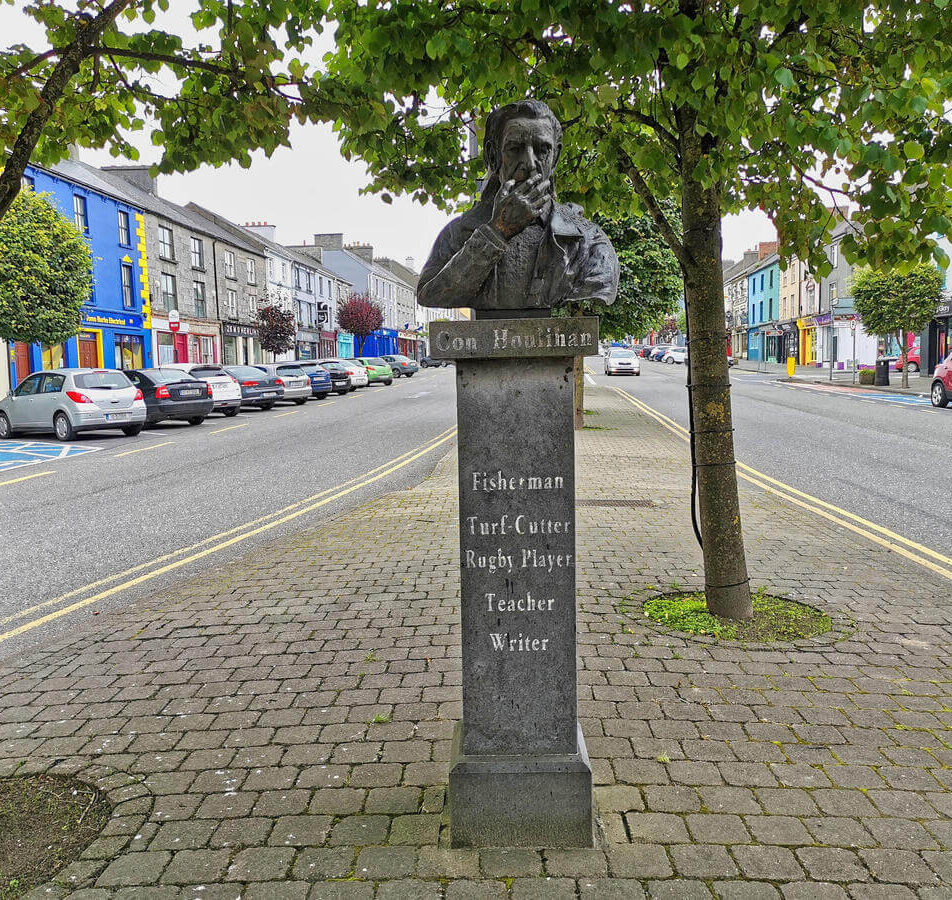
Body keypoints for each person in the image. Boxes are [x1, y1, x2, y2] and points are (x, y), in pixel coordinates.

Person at [417, 99, 618, 315]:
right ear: (493, 155)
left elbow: (599, 288)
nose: (529, 163)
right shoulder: (458, 234)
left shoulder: (589, 240)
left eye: (542, 150)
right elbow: (431, 294)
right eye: (514, 149)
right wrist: (497, 232)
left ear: (555, 157)